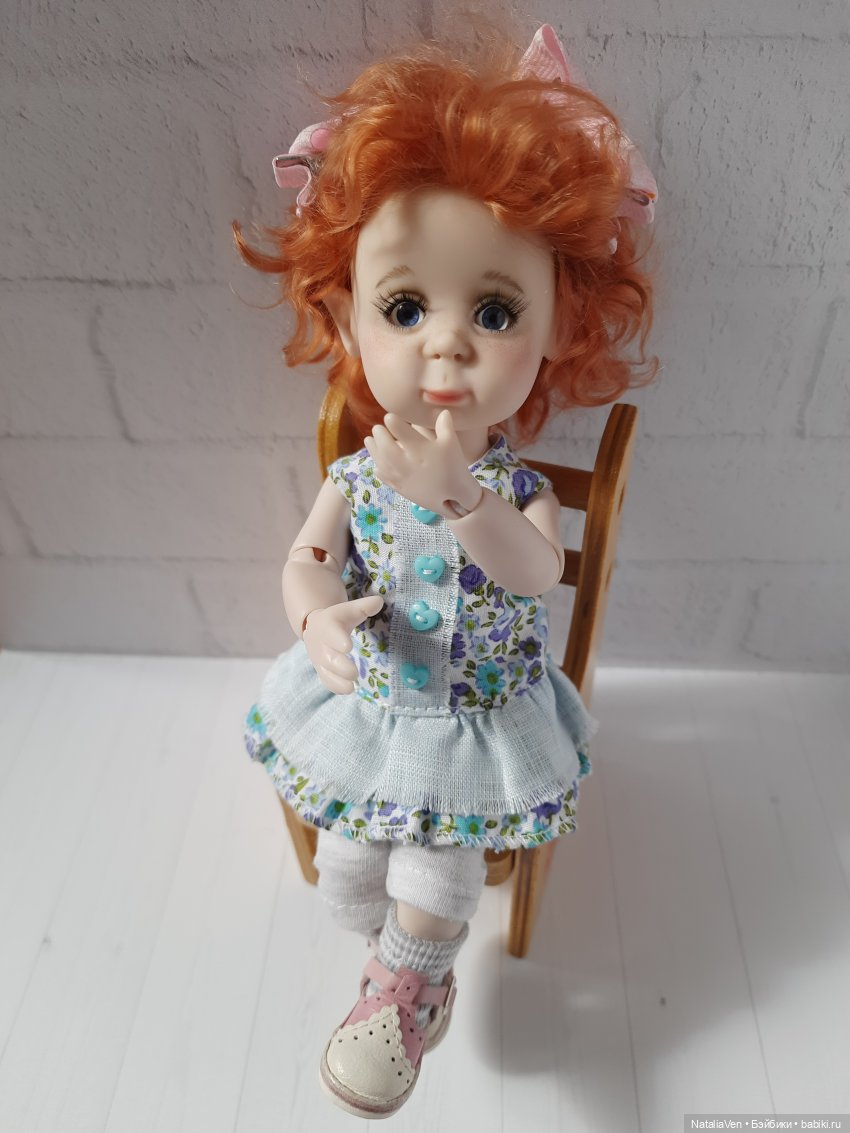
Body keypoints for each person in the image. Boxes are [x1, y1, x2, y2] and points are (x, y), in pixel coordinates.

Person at [235, 23, 658, 1119]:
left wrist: (461, 496)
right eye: (405, 307)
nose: (447, 344)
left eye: (495, 310)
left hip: (476, 721)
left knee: (437, 876)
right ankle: (395, 959)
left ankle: (403, 990)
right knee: (347, 874)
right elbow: (306, 555)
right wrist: (316, 616)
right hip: (373, 707)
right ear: (348, 315)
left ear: (558, 323)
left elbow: (533, 572)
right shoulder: (357, 470)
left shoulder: (515, 488)